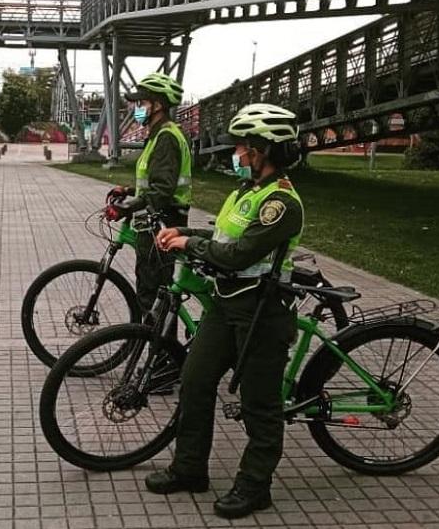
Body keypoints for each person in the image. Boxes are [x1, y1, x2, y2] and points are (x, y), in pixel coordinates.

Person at [148, 103, 305, 520]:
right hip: (226, 304)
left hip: (261, 313)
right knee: (195, 380)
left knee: (260, 404)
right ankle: (189, 469)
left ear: (262, 151)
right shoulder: (245, 193)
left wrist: (190, 246)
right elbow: (221, 233)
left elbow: (236, 254)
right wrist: (185, 231)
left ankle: (256, 487)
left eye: (241, 147)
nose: (235, 154)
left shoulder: (281, 204)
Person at [105, 72, 193, 317]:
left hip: (163, 222)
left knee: (153, 292)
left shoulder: (166, 137)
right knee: (151, 288)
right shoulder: (159, 135)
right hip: (155, 219)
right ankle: (155, 345)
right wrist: (129, 191)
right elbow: (157, 181)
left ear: (158, 105)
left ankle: (159, 349)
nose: (137, 109)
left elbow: (162, 190)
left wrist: (127, 207)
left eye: (142, 103)